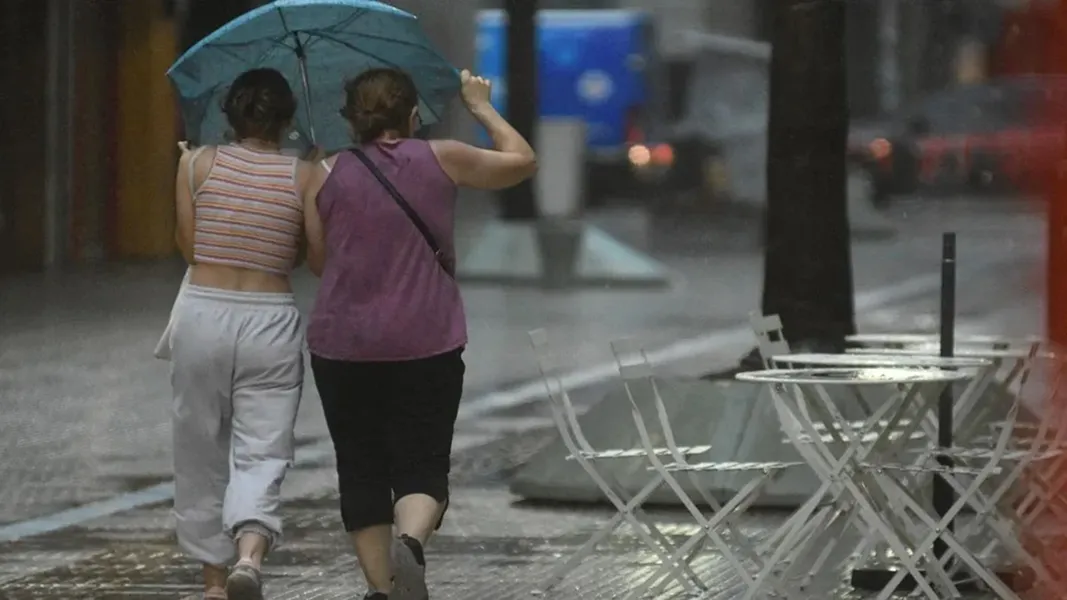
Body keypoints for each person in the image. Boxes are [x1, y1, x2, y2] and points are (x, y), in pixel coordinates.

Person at [301, 68, 536, 600]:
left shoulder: (323, 172)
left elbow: (317, 262)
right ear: (411, 115)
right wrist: (480, 107)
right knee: (422, 461)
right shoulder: (443, 157)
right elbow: (522, 161)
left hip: (343, 346)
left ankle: (383, 589)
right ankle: (410, 542)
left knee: (360, 467)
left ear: (352, 118)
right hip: (426, 340)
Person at [171, 67, 315, 600]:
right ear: (287, 120)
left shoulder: (194, 164)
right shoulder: (305, 175)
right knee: (263, 449)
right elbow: (316, 259)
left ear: (229, 114)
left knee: (199, 448)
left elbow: (190, 249)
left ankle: (212, 583)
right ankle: (249, 557)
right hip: (269, 318)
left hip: (203, 313)